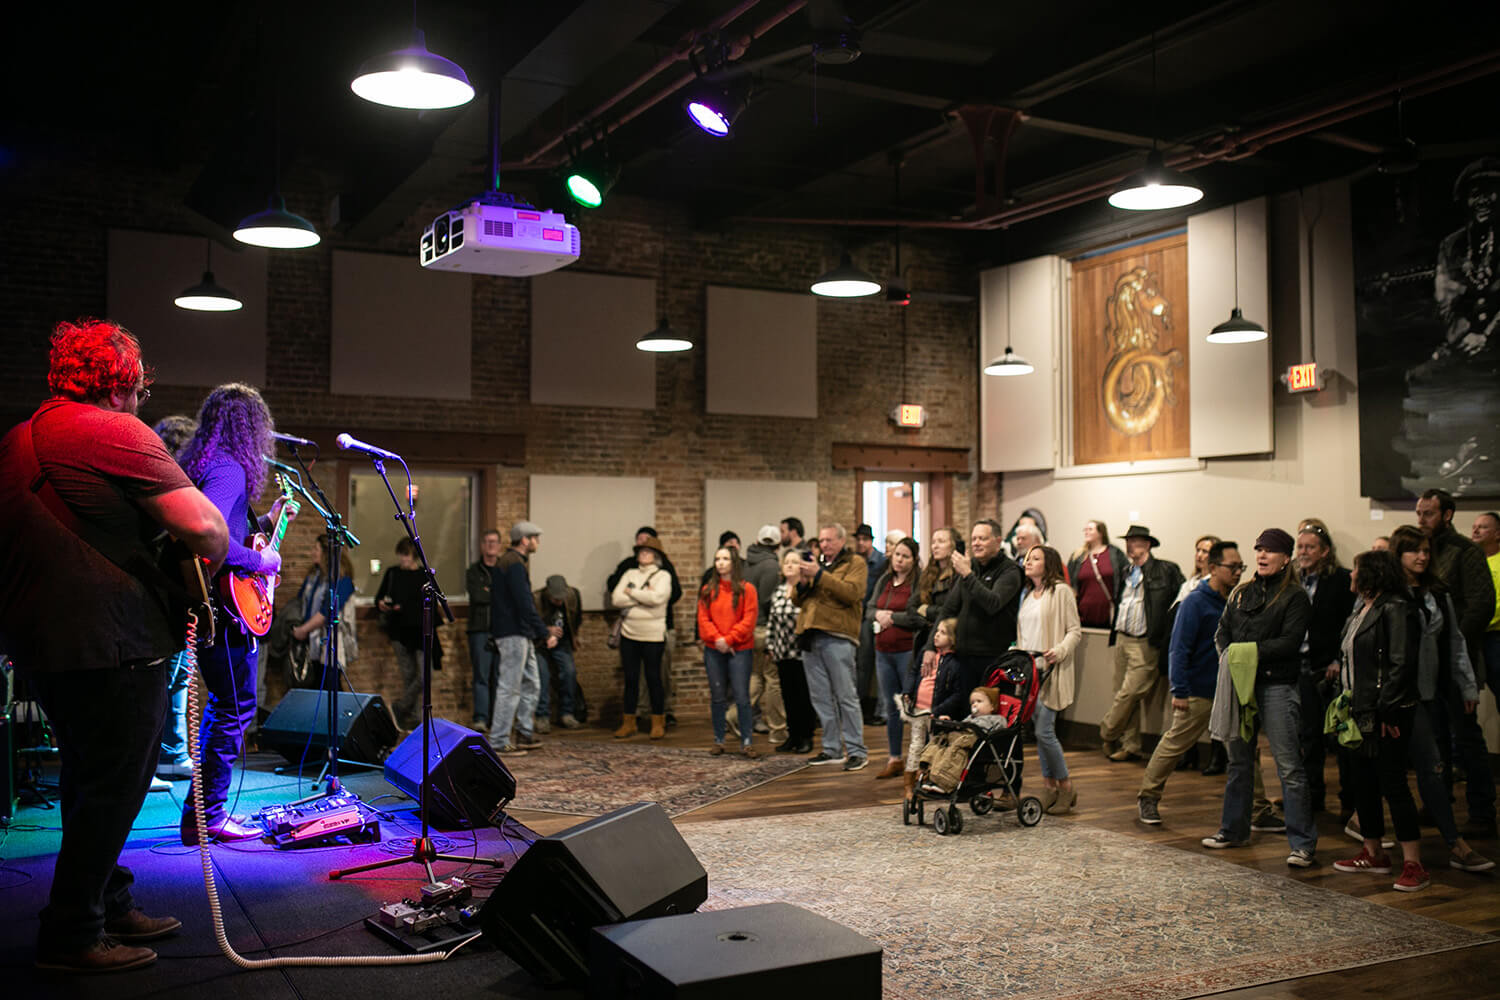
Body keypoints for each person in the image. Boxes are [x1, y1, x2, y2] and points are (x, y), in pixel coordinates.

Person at [0, 318, 228, 972]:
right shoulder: (113, 430)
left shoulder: (17, 438)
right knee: (116, 786)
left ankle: (106, 899)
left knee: (87, 777)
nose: (136, 401)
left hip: (42, 646)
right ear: (121, 384)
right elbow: (209, 529)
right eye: (137, 390)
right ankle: (73, 933)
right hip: (114, 643)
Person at [177, 383, 293, 846]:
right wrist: (261, 561)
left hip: (215, 610)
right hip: (226, 614)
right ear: (251, 427)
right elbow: (214, 543)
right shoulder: (229, 468)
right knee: (235, 708)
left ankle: (201, 813)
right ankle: (208, 814)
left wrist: (266, 523)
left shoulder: (207, 462)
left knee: (224, 706)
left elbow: (227, 528)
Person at [1201, 528, 1317, 869]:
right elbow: (1222, 632)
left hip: (1277, 686)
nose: (1262, 556)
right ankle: (1233, 830)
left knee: (1288, 767)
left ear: (1286, 557)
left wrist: (1244, 653)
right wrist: (1232, 659)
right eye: (1259, 550)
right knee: (1239, 762)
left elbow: (1289, 643)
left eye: (1270, 551)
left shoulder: (1295, 597)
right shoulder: (1242, 593)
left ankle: (1302, 844)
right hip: (1241, 685)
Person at [1387, 525, 1493, 872]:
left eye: (1426, 551)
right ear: (1398, 555)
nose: (1422, 557)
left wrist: (1466, 686)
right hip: (1396, 696)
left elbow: (1455, 643)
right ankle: (1378, 840)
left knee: (1433, 767)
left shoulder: (1437, 593)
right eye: (1414, 551)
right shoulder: (1388, 594)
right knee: (1396, 771)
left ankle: (1454, 844)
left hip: (1429, 693)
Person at [1331, 550, 1429, 891]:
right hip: (1358, 709)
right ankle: (1373, 852)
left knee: (1393, 783)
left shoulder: (1397, 607)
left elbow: (1401, 664)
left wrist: (1388, 708)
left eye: (1356, 570)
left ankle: (1414, 863)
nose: (1350, 575)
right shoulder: (1361, 608)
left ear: (1372, 573)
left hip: (1388, 711)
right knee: (1363, 783)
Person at [1137, 541, 1243, 826]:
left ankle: (1257, 807)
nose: (1238, 572)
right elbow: (1179, 648)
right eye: (1232, 567)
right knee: (1174, 744)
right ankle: (1148, 796)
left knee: (1243, 751)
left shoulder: (1236, 601)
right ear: (1213, 568)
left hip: (1229, 691)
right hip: (1197, 690)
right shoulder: (1195, 602)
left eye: (1240, 567)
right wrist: (1180, 690)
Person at [1416, 488, 1497, 838]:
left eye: (1429, 513)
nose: (1422, 519)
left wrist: (1452, 641)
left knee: (1466, 737)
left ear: (1447, 514)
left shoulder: (1465, 551)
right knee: (1433, 737)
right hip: (1427, 662)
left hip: (1456, 656)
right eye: (1419, 513)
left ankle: (1482, 811)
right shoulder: (1420, 550)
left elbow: (1482, 604)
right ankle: (1437, 804)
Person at [1098, 525, 1184, 763]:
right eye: (1128, 541)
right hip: (1122, 637)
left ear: (1147, 544)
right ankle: (1131, 745)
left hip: (1146, 642)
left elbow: (1181, 601)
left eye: (1135, 541)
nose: (1129, 546)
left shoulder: (1165, 570)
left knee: (1129, 693)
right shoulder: (1126, 571)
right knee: (1124, 695)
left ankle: (1106, 732)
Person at [793, 523, 869, 771]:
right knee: (821, 698)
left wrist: (819, 575)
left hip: (838, 636)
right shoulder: (819, 564)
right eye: (822, 540)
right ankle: (832, 748)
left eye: (829, 540)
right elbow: (797, 599)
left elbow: (852, 593)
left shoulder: (855, 563)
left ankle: (857, 751)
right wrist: (803, 582)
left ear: (841, 541)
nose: (824, 544)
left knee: (846, 696)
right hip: (810, 635)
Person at [1292, 520, 1355, 818]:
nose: (1303, 552)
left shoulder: (1342, 580)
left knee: (1341, 737)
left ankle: (1349, 800)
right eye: (1300, 547)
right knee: (1308, 737)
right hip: (1300, 668)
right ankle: (1312, 796)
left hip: (1330, 670)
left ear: (1325, 551)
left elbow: (1350, 624)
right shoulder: (1292, 580)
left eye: (1310, 547)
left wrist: (1338, 660)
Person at [150, 414, 199, 786]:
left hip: (176, 601)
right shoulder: (157, 489)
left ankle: (173, 754)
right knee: (159, 683)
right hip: (156, 602)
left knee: (178, 677)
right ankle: (148, 762)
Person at [1017, 545, 1083, 815]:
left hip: (1052, 670)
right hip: (1031, 672)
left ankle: (1066, 786)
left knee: (1044, 731)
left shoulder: (1061, 592)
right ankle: (1049, 787)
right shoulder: (1027, 595)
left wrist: (1059, 650)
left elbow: (1074, 631)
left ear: (1049, 564)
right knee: (1040, 732)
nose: (1028, 562)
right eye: (1027, 558)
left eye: (1035, 558)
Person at [487, 521, 549, 755]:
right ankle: (499, 739)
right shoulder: (513, 564)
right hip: (512, 632)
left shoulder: (513, 562)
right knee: (510, 687)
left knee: (531, 682)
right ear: (525, 540)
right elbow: (524, 602)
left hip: (521, 632)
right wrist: (543, 631)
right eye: (535, 538)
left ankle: (524, 731)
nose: (537, 542)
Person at [866, 537, 924, 779]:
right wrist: (878, 615)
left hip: (906, 651)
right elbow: (869, 608)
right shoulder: (885, 580)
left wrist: (892, 618)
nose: (899, 560)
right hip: (883, 652)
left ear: (914, 560)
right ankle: (894, 758)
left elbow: (917, 616)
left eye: (905, 556)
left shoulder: (917, 583)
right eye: (897, 554)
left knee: (913, 706)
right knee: (891, 707)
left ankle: (919, 761)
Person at [698, 547, 759, 757]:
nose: (721, 563)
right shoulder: (708, 590)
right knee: (717, 697)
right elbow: (703, 619)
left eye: (725, 559)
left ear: (734, 563)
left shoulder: (747, 589)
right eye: (717, 559)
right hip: (714, 649)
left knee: (742, 696)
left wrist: (730, 639)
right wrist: (718, 639)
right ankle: (719, 739)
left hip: (739, 649)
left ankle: (747, 741)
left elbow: (749, 620)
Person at [611, 536, 673, 740]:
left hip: (653, 635)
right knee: (631, 679)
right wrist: (642, 596)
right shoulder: (630, 573)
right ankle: (629, 722)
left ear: (656, 556)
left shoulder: (663, 576)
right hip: (629, 634)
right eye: (641, 551)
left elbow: (657, 599)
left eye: (648, 552)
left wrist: (631, 592)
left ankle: (658, 722)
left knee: (654, 678)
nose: (643, 554)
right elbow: (616, 599)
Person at [900, 617, 957, 803]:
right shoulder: (926, 654)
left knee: (934, 747)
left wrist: (940, 709)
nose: (936, 635)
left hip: (936, 713)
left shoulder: (954, 662)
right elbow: (913, 672)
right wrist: (908, 690)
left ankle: (928, 779)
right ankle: (908, 785)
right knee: (915, 745)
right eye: (937, 631)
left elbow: (956, 692)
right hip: (918, 709)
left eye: (942, 632)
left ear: (953, 638)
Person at [741, 524, 787, 747]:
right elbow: (769, 602)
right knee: (772, 680)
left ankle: (737, 716)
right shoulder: (771, 566)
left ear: (757, 541)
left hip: (749, 627)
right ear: (777, 546)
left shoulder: (746, 563)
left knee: (755, 676)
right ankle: (777, 731)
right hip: (764, 629)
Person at [375, 538, 427, 732]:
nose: (403, 559)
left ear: (414, 556)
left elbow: (424, 603)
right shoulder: (393, 573)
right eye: (401, 554)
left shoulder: (423, 575)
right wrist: (383, 604)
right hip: (399, 630)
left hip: (419, 630)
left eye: (406, 555)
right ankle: (414, 719)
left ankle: (401, 707)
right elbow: (380, 597)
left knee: (423, 676)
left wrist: (405, 607)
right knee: (408, 675)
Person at [289, 542, 358, 685]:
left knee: (329, 684)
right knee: (314, 684)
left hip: (330, 642)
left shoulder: (341, 580)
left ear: (326, 553)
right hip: (311, 641)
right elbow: (301, 601)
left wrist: (303, 629)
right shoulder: (314, 577)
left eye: (316, 549)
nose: (312, 552)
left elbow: (327, 611)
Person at [767, 548, 815, 753]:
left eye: (794, 562)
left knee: (803, 696)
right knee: (788, 696)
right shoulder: (778, 591)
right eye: (786, 561)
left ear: (801, 567)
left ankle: (806, 737)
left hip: (801, 653)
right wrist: (770, 645)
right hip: (781, 652)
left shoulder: (806, 591)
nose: (788, 565)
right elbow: (772, 620)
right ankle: (792, 736)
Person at [533, 574, 582, 729]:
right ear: (548, 593)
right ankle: (542, 716)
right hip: (539, 643)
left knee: (569, 672)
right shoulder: (536, 599)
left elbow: (576, 617)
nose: (559, 601)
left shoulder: (573, 595)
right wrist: (546, 630)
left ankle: (567, 713)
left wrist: (574, 635)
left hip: (562, 642)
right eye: (555, 599)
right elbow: (529, 623)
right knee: (542, 676)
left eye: (561, 598)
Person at [466, 529, 502, 731]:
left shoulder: (504, 569)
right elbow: (478, 596)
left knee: (499, 677)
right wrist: (496, 593)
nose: (490, 545)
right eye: (487, 541)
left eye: (494, 542)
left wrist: (491, 591)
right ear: (482, 546)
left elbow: (509, 598)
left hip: (502, 631)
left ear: (499, 545)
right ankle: (480, 718)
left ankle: (497, 719)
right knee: (481, 676)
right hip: (479, 630)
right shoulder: (473, 571)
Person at [912, 526, 963, 653]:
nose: (935, 546)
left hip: (949, 639)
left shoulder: (958, 574)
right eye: (933, 542)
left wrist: (927, 610)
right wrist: (925, 622)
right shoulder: (928, 574)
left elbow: (951, 609)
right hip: (924, 634)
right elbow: (912, 605)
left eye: (941, 541)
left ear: (953, 545)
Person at [1068, 519, 1127, 629]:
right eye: (1085, 529)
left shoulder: (1115, 554)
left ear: (1100, 533)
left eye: (1090, 529)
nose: (1086, 532)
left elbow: (1125, 579)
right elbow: (1071, 585)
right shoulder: (1077, 556)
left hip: (1109, 616)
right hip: (1083, 616)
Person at [1474, 510, 1500, 703]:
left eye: (1482, 527)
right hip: (1476, 636)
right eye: (1474, 527)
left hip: (1496, 636)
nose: (1475, 531)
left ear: (1497, 534)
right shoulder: (1472, 562)